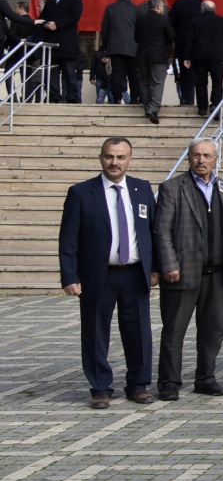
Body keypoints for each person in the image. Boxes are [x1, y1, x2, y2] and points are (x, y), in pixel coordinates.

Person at [59, 137, 156, 408]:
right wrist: (70, 276)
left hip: (135, 274)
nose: (115, 162)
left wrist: (156, 267)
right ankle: (100, 387)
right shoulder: (81, 192)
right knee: (95, 332)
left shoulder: (142, 189)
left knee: (139, 331)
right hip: (96, 275)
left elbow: (152, 232)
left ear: (130, 160)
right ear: (101, 158)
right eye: (109, 156)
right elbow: (68, 239)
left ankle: (138, 385)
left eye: (121, 157)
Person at [153, 138, 223, 399]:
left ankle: (206, 378)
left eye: (207, 156)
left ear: (216, 159)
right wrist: (169, 264)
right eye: (196, 155)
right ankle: (169, 383)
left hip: (216, 272)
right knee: (174, 331)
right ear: (188, 158)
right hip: (182, 272)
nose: (201, 160)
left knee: (213, 330)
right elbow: (161, 231)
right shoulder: (172, 187)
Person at [183, 0, 223, 117]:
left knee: (201, 82)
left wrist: (187, 57)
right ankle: (215, 105)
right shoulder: (222, 21)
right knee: (217, 82)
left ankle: (202, 108)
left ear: (202, 9)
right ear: (214, 9)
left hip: (199, 56)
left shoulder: (195, 21)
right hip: (217, 56)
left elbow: (189, 40)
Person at [38, 0, 84, 103]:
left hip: (67, 44)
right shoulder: (51, 1)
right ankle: (54, 97)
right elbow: (42, 17)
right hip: (51, 43)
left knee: (69, 73)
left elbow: (75, 17)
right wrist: (46, 24)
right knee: (52, 73)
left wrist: (57, 24)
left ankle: (72, 98)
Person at [132, 0, 174, 123]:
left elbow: (136, 38)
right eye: (162, 6)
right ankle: (154, 107)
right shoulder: (164, 19)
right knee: (157, 82)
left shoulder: (140, 20)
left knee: (144, 82)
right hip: (158, 55)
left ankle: (147, 105)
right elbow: (171, 36)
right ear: (158, 6)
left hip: (142, 55)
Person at [99, 0, 139, 106]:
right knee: (133, 74)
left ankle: (117, 98)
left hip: (115, 46)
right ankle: (134, 99)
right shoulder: (136, 9)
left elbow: (105, 29)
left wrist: (105, 46)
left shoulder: (110, 8)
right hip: (133, 46)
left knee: (117, 73)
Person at [170, 0, 203, 108]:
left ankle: (185, 99)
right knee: (197, 72)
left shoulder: (179, 3)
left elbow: (171, 22)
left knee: (184, 72)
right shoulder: (203, 5)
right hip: (199, 44)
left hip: (182, 43)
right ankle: (195, 100)